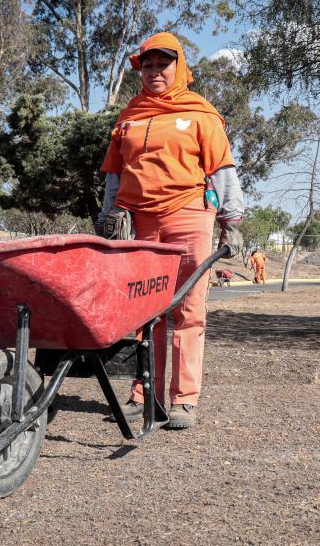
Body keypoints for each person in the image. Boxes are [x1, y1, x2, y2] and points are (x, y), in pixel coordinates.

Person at [97, 32, 244, 429]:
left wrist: (232, 223)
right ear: (139, 70)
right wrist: (109, 215)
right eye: (148, 64)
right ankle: (143, 394)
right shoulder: (129, 115)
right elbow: (115, 173)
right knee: (144, 310)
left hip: (188, 216)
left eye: (163, 64)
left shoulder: (200, 113)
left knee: (188, 308)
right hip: (138, 221)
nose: (155, 71)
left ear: (179, 67)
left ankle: (183, 400)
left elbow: (221, 170)